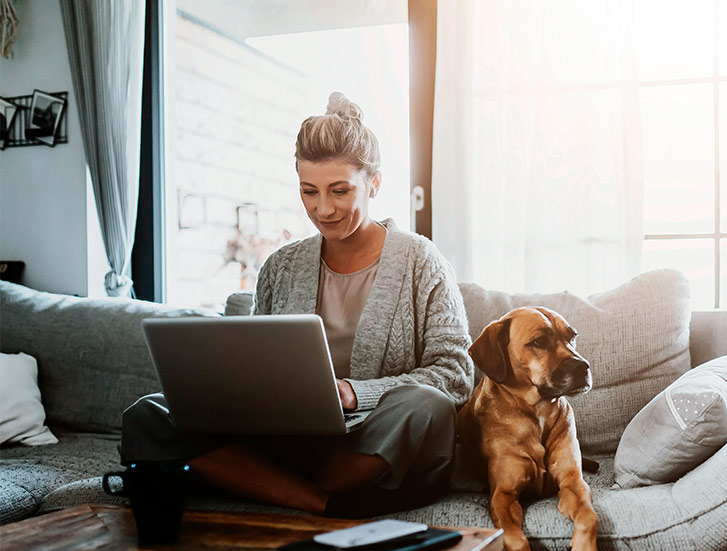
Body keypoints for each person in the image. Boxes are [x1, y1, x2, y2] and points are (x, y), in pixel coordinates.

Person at [120, 92, 474, 517]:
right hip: (288, 440)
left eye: (340, 191)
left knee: (425, 405)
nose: (323, 209)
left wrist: (352, 394)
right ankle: (324, 503)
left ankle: (261, 483)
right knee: (148, 414)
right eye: (309, 191)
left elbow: (454, 375)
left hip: (373, 441)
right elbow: (254, 362)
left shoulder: (420, 260)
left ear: (374, 183)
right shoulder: (281, 266)